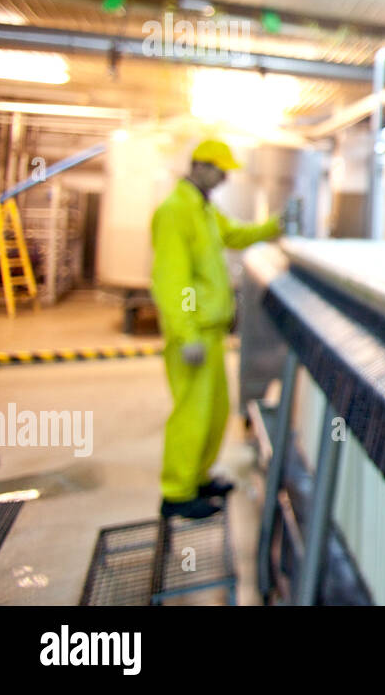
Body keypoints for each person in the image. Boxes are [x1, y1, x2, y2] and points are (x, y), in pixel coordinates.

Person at [150, 139, 283, 519]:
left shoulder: (205, 210)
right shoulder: (175, 212)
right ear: (199, 166)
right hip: (192, 334)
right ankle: (176, 493)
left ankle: (198, 477)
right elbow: (172, 281)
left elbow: (236, 236)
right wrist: (187, 334)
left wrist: (275, 226)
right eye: (220, 170)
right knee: (191, 413)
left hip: (210, 332)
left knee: (213, 410)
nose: (224, 178)